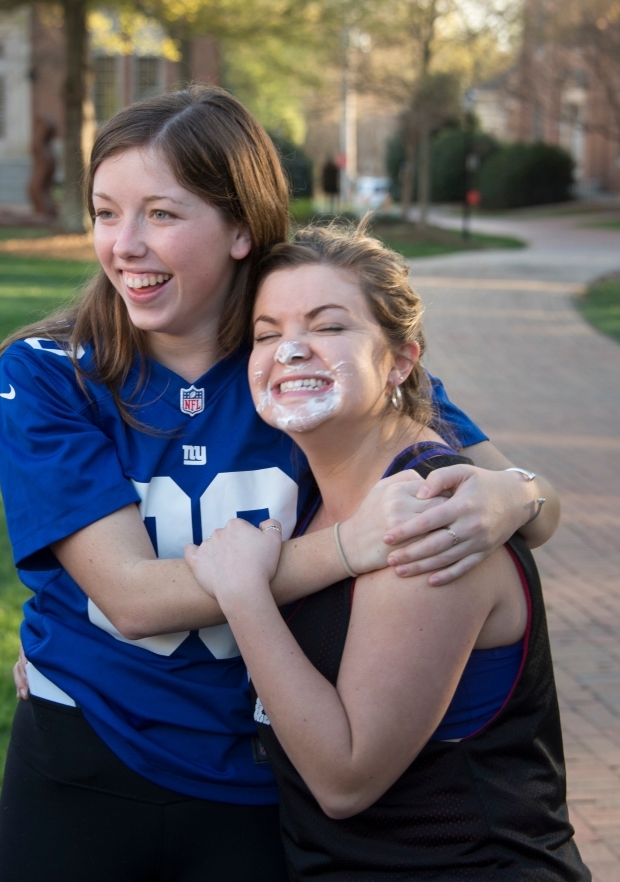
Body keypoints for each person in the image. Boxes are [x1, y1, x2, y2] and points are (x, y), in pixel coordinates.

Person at [0, 86, 558, 882]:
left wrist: (516, 494)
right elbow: (134, 598)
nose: (125, 244)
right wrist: (353, 545)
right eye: (105, 212)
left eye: (162, 213)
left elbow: (521, 497)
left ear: (242, 227)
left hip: (257, 768)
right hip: (85, 742)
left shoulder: (303, 364)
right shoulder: (50, 372)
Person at [185, 222, 588, 880]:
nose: (290, 350)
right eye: (267, 332)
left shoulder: (435, 515)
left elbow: (346, 779)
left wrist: (244, 595)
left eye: (327, 325)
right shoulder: (313, 489)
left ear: (400, 360)